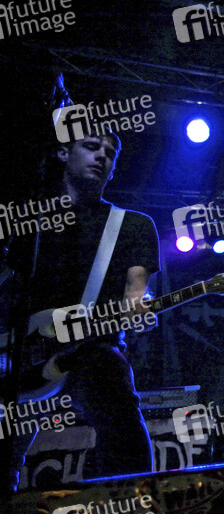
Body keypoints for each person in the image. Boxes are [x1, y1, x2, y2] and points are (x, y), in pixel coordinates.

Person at [2, 131, 159, 491]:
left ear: (114, 169)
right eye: (91, 146)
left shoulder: (133, 225)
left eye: (110, 152)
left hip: (92, 348)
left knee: (120, 414)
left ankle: (128, 506)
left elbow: (135, 294)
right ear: (62, 153)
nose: (102, 155)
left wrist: (140, 310)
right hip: (24, 352)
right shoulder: (28, 221)